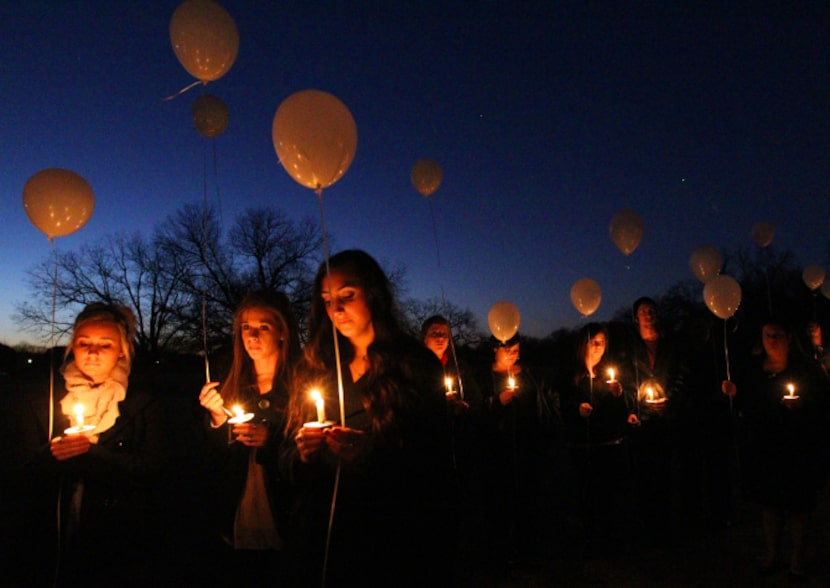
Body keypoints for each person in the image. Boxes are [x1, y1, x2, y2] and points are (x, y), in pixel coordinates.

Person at [282, 250, 455, 587]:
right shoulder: (315, 365)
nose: (337, 310)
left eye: (347, 295)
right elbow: (285, 455)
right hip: (323, 534)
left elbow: (435, 460)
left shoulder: (415, 366)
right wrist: (302, 453)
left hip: (391, 536)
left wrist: (372, 452)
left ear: (374, 294)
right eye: (327, 300)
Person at [7, 303, 174, 587]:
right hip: (52, 534)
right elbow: (15, 470)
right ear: (73, 345)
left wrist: (95, 455)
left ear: (122, 350)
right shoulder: (45, 399)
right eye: (84, 343)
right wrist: (50, 457)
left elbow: (156, 470)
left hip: (118, 538)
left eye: (104, 345)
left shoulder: (142, 403)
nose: (92, 352)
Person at [197, 290, 301, 583]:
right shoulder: (230, 381)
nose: (252, 335)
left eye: (263, 327)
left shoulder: (303, 382)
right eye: (246, 327)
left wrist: (272, 441)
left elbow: (312, 458)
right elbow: (210, 459)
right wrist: (217, 420)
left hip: (286, 518)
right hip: (236, 517)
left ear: (282, 331)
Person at [722, 318, 827, 581]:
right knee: (770, 505)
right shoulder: (756, 369)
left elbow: (823, 401)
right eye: (767, 335)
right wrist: (735, 393)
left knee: (797, 507)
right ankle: (771, 555)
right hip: (765, 446)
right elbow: (750, 402)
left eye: (777, 334)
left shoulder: (806, 368)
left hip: (798, 446)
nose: (772, 340)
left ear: (789, 337)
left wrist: (803, 406)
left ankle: (796, 560)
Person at [477, 331, 555, 574]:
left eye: (516, 350)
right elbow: (476, 411)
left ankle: (527, 553)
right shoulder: (483, 376)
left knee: (528, 503)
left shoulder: (530, 375)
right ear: (495, 349)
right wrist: (497, 402)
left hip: (527, 449)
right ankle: (499, 556)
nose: (513, 355)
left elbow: (541, 406)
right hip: (496, 452)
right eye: (507, 350)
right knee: (499, 505)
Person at [557, 322, 633, 557]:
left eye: (603, 343)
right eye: (595, 342)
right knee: (585, 495)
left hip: (609, 445)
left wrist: (620, 397)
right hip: (582, 446)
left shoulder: (608, 374)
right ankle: (588, 540)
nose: (600, 348)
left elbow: (620, 409)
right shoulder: (570, 376)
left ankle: (609, 539)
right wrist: (577, 410)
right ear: (584, 344)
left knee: (608, 495)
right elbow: (560, 406)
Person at [618, 296, 688, 546]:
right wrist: (634, 406)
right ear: (636, 316)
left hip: (666, 418)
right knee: (643, 474)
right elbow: (626, 379)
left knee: (665, 473)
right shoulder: (630, 347)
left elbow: (681, 374)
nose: (648, 314)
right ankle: (646, 526)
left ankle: (664, 526)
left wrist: (671, 399)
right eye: (643, 311)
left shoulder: (670, 344)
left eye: (651, 310)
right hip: (641, 421)